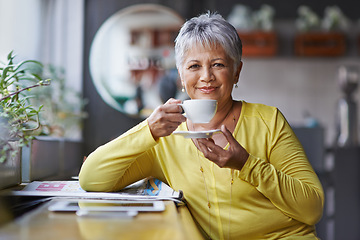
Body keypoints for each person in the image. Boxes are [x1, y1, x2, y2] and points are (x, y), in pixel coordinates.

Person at [79, 12, 324, 240]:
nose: (206, 76)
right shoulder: (165, 136)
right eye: (194, 66)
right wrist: (149, 130)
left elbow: (312, 208)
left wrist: (247, 165)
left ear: (236, 72)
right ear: (181, 77)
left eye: (218, 64)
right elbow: (91, 178)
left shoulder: (268, 121)